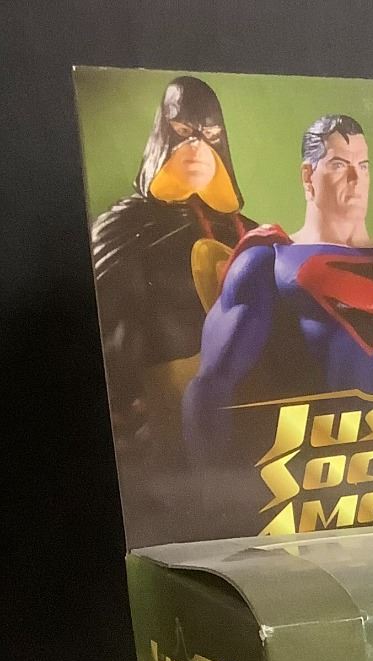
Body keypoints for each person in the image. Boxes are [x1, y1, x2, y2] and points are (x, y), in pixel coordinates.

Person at [184, 114, 373, 451]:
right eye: (339, 165)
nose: (355, 178)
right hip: (303, 467)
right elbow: (211, 386)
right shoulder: (267, 263)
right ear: (308, 176)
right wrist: (217, 477)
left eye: (363, 166)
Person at [90, 75, 253, 455]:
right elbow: (108, 321)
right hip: (159, 412)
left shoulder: (247, 232)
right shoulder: (123, 225)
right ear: (163, 135)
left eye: (210, 134)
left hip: (246, 406)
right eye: (182, 130)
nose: (196, 146)